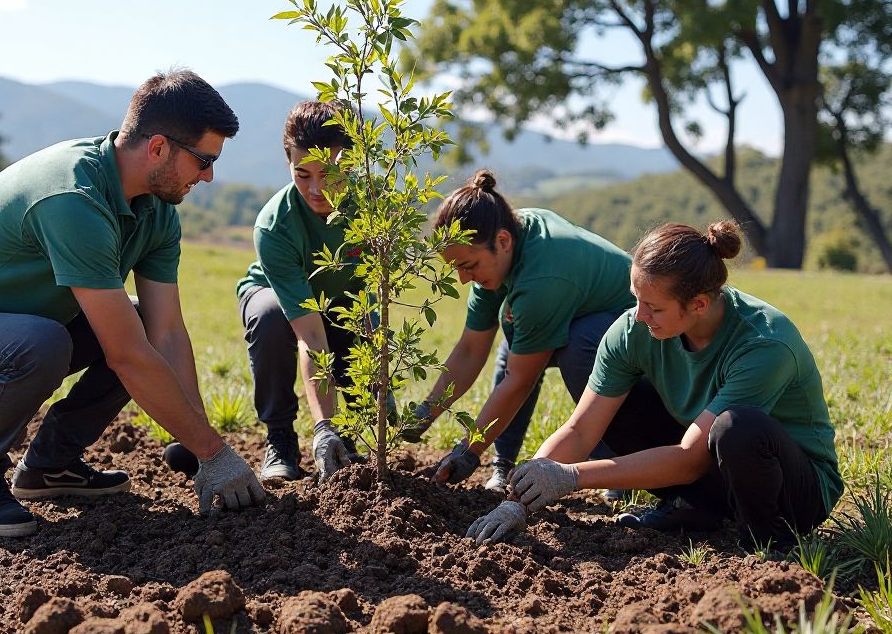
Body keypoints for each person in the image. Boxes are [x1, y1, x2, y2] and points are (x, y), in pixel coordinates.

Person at [0, 69, 265, 538]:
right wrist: (215, 453)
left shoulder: (159, 210)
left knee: (138, 319)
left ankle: (49, 467)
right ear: (158, 148)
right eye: (204, 160)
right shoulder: (73, 196)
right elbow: (126, 354)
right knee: (47, 342)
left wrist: (201, 445)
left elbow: (165, 331)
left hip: (23, 329)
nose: (209, 176)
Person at [467, 221, 843, 552]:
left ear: (698, 304)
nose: (639, 316)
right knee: (621, 404)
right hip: (714, 472)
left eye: (654, 307)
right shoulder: (635, 329)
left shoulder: (764, 343)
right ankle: (696, 510)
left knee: (736, 428)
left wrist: (572, 477)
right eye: (637, 299)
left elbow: (690, 458)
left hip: (792, 492)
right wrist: (521, 497)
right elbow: (581, 429)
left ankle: (767, 544)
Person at [166, 100, 363, 484]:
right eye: (302, 174)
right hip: (275, 295)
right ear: (287, 163)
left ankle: (352, 442)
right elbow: (309, 333)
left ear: (353, 163)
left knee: (358, 329)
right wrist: (323, 426)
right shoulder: (276, 225)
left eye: (329, 174)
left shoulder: (373, 212)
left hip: (342, 304)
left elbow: (372, 302)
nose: (316, 189)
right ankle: (281, 440)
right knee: (272, 317)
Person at [402, 170, 635, 493]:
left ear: (503, 241)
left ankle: (619, 464)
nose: (463, 280)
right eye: (456, 268)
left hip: (644, 337)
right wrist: (424, 414)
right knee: (514, 340)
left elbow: (519, 380)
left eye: (468, 266)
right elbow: (470, 350)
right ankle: (503, 465)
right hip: (576, 311)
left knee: (578, 346)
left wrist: (468, 452)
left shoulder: (541, 278)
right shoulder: (499, 243)